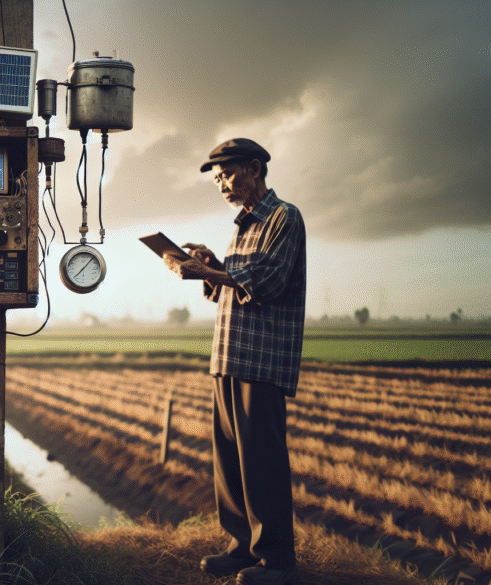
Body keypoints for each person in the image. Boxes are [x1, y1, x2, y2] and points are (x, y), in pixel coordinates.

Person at [163, 138, 305, 585]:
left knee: (262, 462)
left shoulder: (284, 217)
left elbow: (265, 281)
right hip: (227, 356)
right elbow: (235, 282)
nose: (222, 183)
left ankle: (277, 561)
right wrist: (210, 263)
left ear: (256, 168)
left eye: (227, 173)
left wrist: (208, 271)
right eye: (218, 177)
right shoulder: (242, 226)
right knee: (228, 463)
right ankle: (241, 546)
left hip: (261, 362)